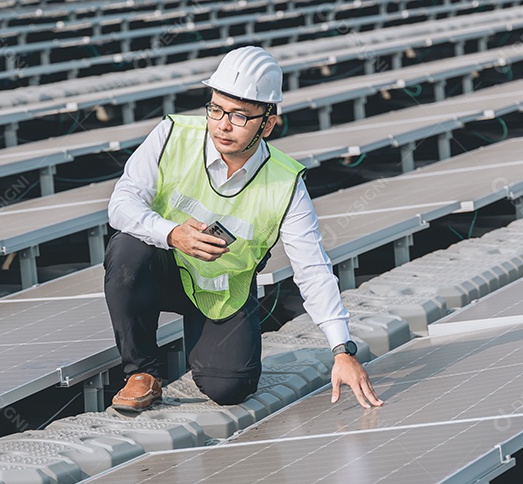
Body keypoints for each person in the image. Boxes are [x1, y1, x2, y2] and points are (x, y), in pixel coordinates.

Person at [103, 46, 383, 413]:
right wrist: (172, 233)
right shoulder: (171, 135)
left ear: (267, 123)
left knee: (229, 388)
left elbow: (312, 268)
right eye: (216, 109)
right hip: (161, 270)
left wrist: (342, 349)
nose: (222, 124)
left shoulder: (285, 183)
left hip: (220, 289)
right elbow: (120, 204)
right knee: (126, 251)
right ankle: (142, 372)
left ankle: (211, 346)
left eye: (239, 115)